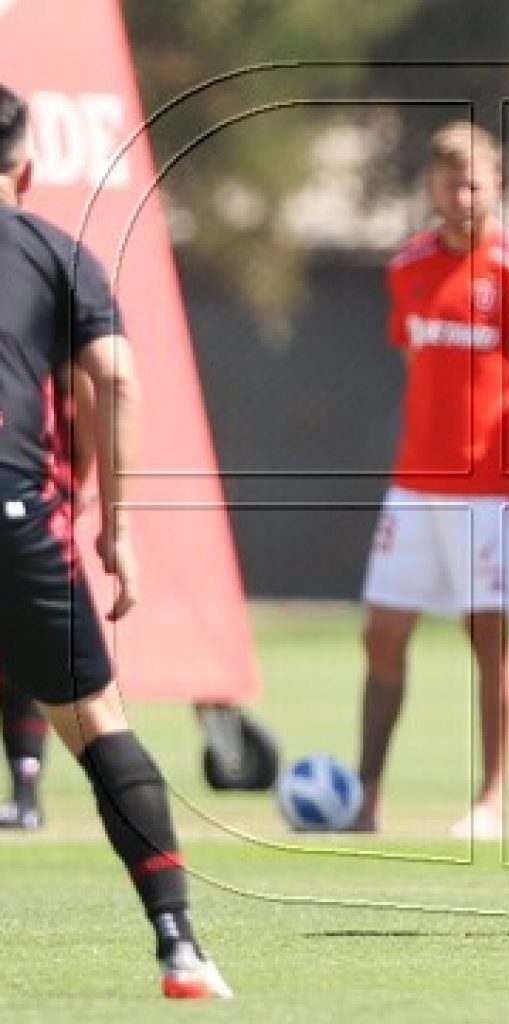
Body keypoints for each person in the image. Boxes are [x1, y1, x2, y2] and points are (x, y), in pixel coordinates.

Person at [0, 83, 231, 998]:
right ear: (25, 166)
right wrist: (116, 528)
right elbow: (117, 384)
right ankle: (178, 945)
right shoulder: (59, 254)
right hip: (16, 512)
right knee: (98, 723)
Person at [351, 120, 509, 839]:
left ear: (497, 184)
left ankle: (491, 798)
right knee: (382, 635)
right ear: (432, 185)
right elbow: (414, 357)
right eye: (450, 179)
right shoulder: (408, 267)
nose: (463, 193)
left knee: (488, 639)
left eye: (476, 179)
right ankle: (365, 799)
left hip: (492, 486)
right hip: (416, 482)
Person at [0, 366, 94, 830]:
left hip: (28, 490)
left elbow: (88, 388)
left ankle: (25, 792)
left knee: (22, 646)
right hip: (37, 493)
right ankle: (25, 794)